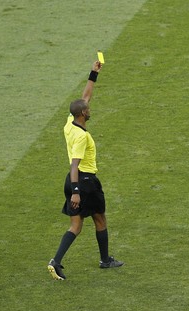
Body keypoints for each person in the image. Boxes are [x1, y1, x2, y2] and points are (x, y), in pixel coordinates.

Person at [47, 59, 123, 280]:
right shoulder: (81, 136)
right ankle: (105, 260)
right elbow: (75, 164)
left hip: (72, 181)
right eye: (87, 109)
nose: (90, 109)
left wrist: (93, 73)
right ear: (82, 114)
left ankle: (56, 261)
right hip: (85, 182)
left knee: (76, 225)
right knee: (100, 219)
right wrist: (77, 191)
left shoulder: (70, 122)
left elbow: (85, 97)